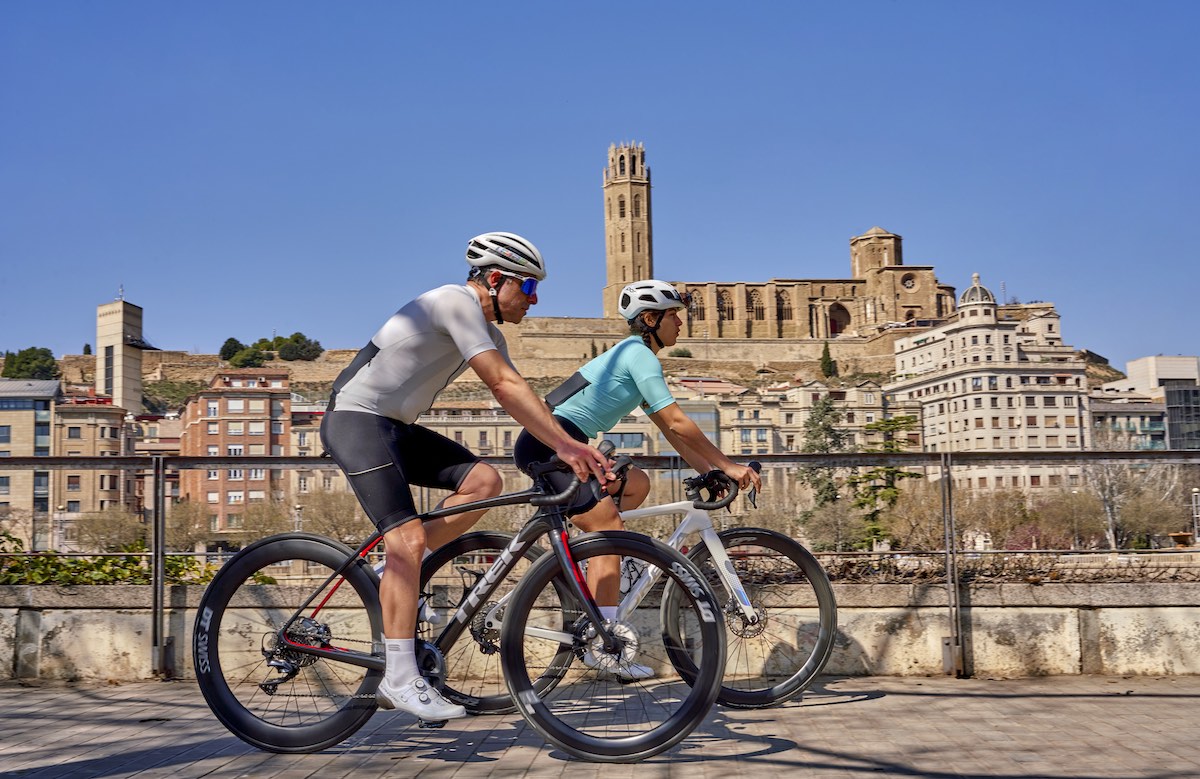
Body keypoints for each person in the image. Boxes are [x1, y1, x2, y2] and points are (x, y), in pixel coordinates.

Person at [320, 231, 612, 720]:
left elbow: (523, 394)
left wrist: (568, 444)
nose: (534, 301)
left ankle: (394, 570)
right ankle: (397, 677)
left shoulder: (489, 332)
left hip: (394, 427)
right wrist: (565, 443)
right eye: (529, 287)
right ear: (495, 279)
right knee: (407, 540)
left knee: (484, 482)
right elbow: (501, 384)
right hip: (355, 419)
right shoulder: (454, 302)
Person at [513, 279, 762, 679]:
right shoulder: (639, 356)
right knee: (610, 527)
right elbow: (680, 420)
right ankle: (603, 646)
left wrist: (708, 470)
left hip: (557, 443)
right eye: (673, 315)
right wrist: (729, 466)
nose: (680, 323)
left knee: (638, 483)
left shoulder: (631, 356)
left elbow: (668, 428)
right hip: (553, 445)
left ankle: (593, 559)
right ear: (650, 319)